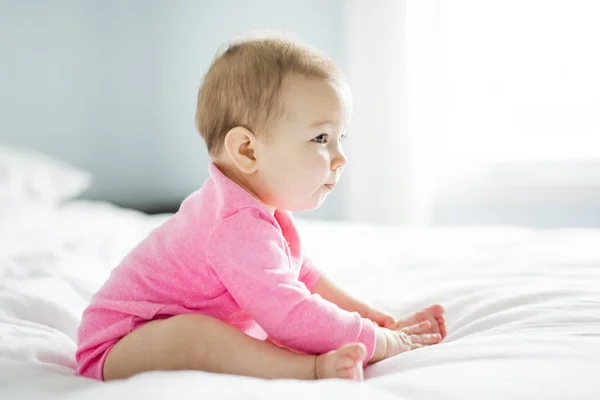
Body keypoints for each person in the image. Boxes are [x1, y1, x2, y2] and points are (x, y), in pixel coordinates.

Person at [76, 34, 447, 382]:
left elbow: (303, 276)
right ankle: (309, 370)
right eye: (320, 138)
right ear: (247, 151)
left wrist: (371, 318)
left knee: (226, 331)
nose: (340, 158)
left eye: (340, 137)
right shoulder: (234, 224)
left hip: (146, 334)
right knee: (197, 336)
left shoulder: (258, 208)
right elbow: (289, 311)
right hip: (117, 346)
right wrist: (379, 342)